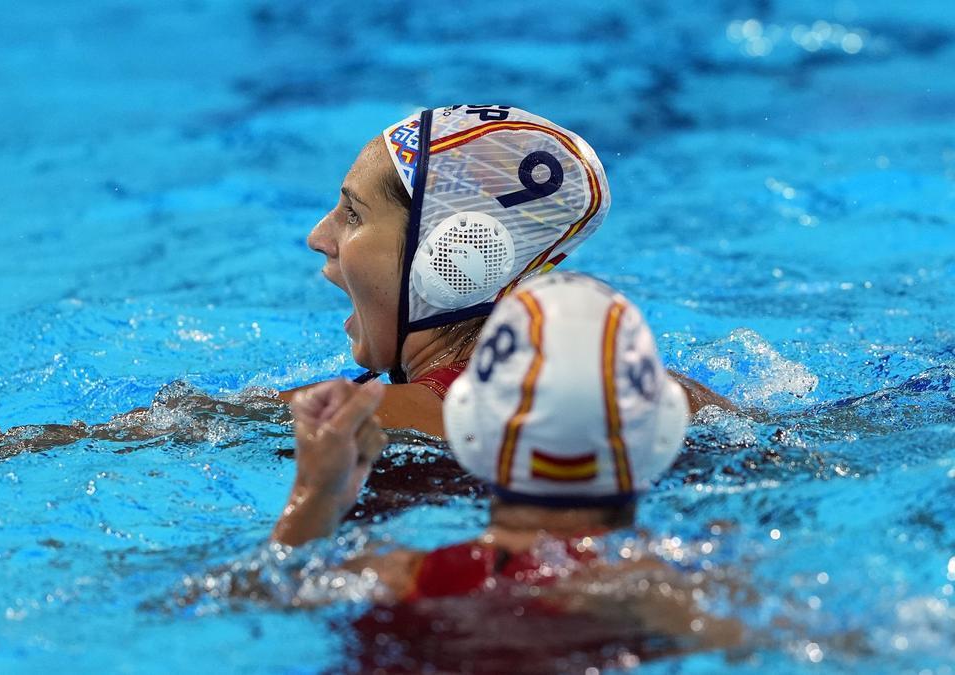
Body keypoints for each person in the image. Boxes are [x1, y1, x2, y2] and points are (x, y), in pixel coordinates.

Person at [0, 104, 722, 440]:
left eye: (353, 212)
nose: (318, 238)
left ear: (458, 259)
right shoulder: (663, 392)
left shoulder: (372, 416)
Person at [272, 273, 742, 669]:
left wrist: (317, 495)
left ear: (470, 428)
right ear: (660, 441)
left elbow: (254, 594)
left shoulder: (394, 579)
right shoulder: (662, 595)